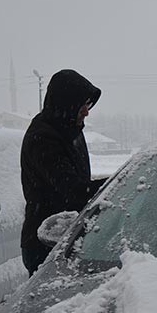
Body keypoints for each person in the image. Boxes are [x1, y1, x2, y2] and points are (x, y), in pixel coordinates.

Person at [20, 69, 106, 275]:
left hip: (69, 236)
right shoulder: (43, 139)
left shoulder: (70, 129)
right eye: (83, 105)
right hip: (45, 242)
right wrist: (119, 184)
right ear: (67, 104)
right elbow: (74, 192)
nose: (87, 111)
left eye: (88, 104)